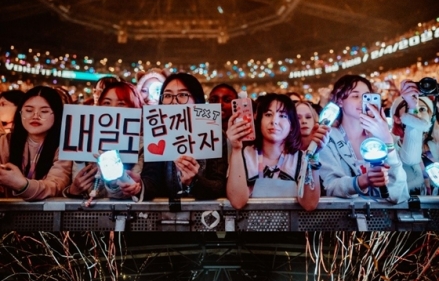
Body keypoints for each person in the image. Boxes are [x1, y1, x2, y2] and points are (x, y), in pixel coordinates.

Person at [316, 74, 408, 203]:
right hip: (346, 213)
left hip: (382, 214)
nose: (362, 101)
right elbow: (331, 186)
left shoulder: (381, 136)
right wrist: (362, 181)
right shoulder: (328, 139)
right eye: (355, 96)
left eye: (366, 96)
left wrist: (387, 141)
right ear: (340, 101)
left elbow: (399, 193)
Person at [227, 91, 320, 211]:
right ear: (259, 120)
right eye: (268, 114)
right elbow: (237, 202)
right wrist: (236, 149)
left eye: (283, 116)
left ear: (292, 125)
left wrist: (314, 153)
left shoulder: (300, 158)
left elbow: (310, 204)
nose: (274, 121)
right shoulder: (245, 155)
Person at [142, 71, 218, 203]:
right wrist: (138, 187)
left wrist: (194, 182)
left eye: (182, 95)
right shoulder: (156, 133)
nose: (174, 102)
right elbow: (152, 180)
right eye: (167, 95)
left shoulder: (214, 133)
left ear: (197, 100)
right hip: (164, 212)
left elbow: (218, 186)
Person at [70, 78, 143, 201]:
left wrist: (115, 181)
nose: (112, 109)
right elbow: (78, 184)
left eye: (121, 104)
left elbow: (127, 192)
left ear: (135, 108)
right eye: (107, 103)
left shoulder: (142, 146)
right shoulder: (83, 140)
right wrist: (72, 190)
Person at [0, 85, 72, 201]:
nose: (35, 116)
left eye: (44, 111)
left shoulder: (65, 146)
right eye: (29, 110)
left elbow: (56, 185)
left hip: (46, 211)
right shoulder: (6, 141)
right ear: (20, 113)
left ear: (57, 114)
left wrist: (22, 184)